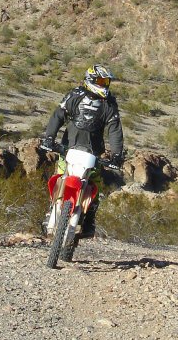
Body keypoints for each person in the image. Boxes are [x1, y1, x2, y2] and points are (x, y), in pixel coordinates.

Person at [40, 64, 124, 239]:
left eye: (106, 82)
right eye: (101, 81)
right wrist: (49, 137)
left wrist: (116, 155)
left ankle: (89, 221)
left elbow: (114, 130)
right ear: (91, 80)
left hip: (94, 154)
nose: (105, 85)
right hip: (68, 149)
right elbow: (58, 116)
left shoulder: (109, 104)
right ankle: (51, 210)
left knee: (94, 186)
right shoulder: (74, 95)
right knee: (59, 176)